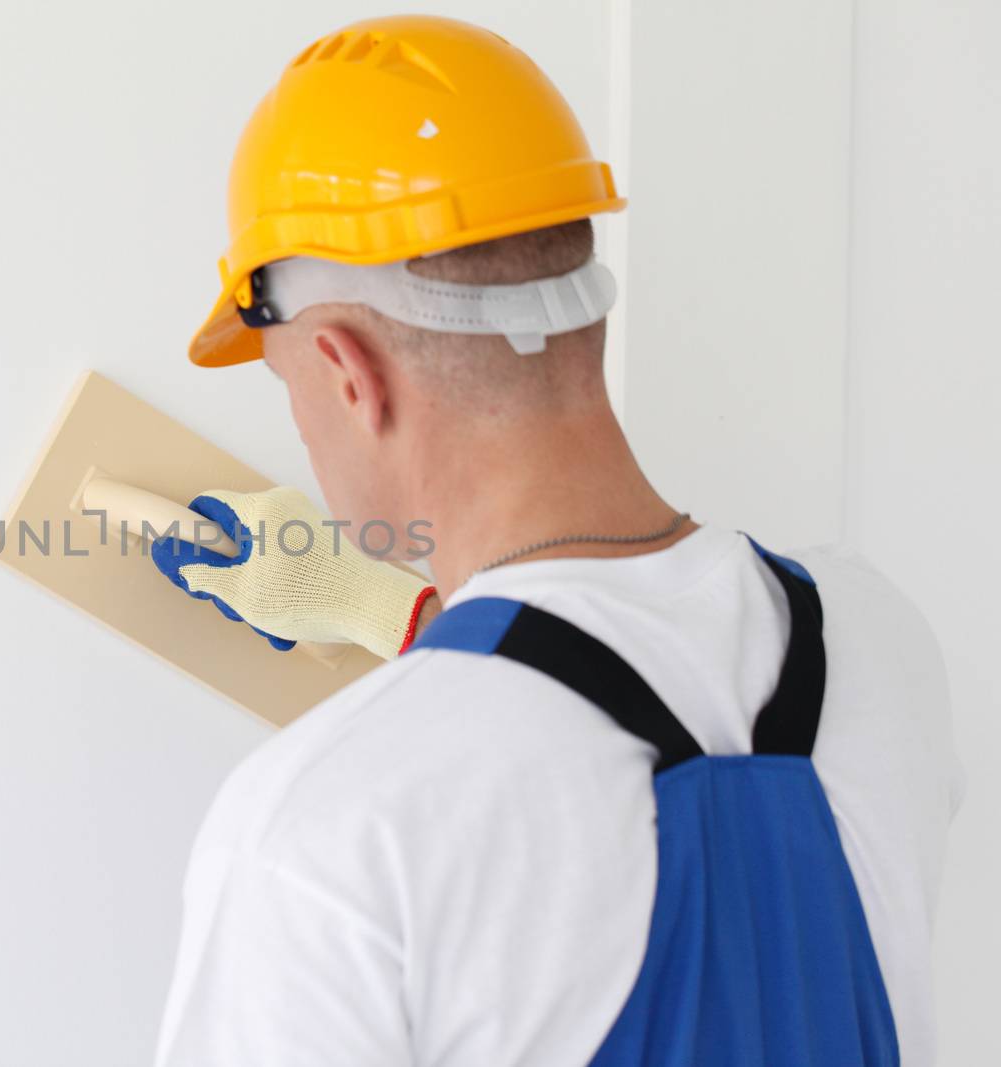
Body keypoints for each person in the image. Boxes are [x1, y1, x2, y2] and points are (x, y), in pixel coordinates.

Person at [148, 15, 962, 1066]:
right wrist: (377, 608)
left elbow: (540, 740)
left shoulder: (322, 827)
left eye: (284, 379)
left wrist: (403, 655)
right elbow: (611, 704)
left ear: (348, 373)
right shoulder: (877, 640)